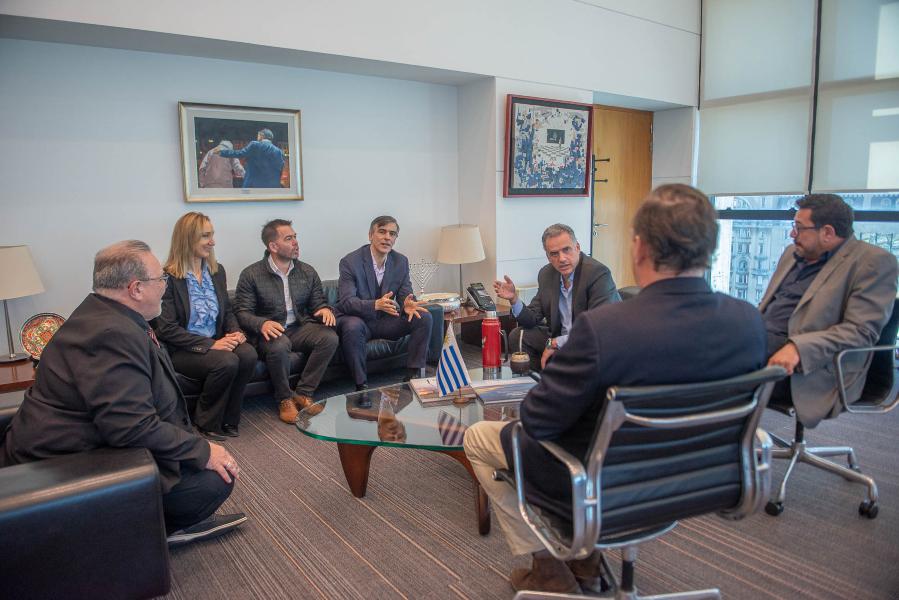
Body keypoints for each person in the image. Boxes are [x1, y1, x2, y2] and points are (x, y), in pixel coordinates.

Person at [464, 184, 767, 594]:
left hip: (606, 484)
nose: (561, 258)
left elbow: (537, 420)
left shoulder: (608, 328)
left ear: (638, 249)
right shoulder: (749, 322)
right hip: (700, 480)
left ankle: (550, 564)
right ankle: (586, 560)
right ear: (711, 248)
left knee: (479, 437)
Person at [0, 240, 246, 545]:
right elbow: (129, 427)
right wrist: (203, 450)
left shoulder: (101, 314)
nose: (165, 287)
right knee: (214, 481)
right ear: (136, 288)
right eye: (161, 280)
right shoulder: (111, 334)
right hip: (64, 465)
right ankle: (146, 537)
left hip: (78, 443)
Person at [759, 193, 898, 427]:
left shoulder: (873, 262)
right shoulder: (791, 254)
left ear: (827, 232)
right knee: (697, 347)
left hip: (810, 366)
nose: (793, 234)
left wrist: (798, 349)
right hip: (762, 343)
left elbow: (860, 332)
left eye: (799, 228)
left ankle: (721, 450)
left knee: (711, 371)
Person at [152, 212, 257, 440]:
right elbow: (167, 328)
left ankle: (230, 417)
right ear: (187, 239)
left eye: (212, 235)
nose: (213, 241)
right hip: (184, 349)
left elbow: (227, 310)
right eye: (205, 236)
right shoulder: (168, 278)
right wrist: (211, 345)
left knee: (248, 354)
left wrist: (236, 332)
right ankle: (206, 421)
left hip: (216, 340)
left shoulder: (216, 271)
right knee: (226, 361)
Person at [233, 219, 338, 424]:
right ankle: (284, 399)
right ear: (273, 246)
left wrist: (324, 309)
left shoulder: (307, 271)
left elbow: (318, 301)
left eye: (295, 237)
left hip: (298, 327)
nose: (295, 242)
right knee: (279, 346)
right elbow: (242, 312)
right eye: (289, 239)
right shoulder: (251, 274)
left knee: (329, 338)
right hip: (269, 333)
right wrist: (261, 324)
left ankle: (304, 392)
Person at [494, 223, 620, 371]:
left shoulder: (597, 274)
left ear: (577, 248)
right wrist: (513, 299)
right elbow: (532, 318)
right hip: (561, 338)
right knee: (519, 335)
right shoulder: (547, 274)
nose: (562, 258)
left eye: (566, 250)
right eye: (554, 254)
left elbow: (599, 327)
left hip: (592, 342)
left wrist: (555, 343)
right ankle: (539, 384)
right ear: (548, 257)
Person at [336, 215, 432, 391]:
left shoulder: (400, 261)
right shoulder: (350, 262)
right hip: (360, 321)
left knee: (423, 316)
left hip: (385, 321)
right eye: (382, 232)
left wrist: (408, 303)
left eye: (392, 234)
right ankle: (361, 386)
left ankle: (412, 375)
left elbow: (405, 293)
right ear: (370, 235)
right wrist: (374, 304)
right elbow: (346, 302)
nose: (387, 237)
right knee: (352, 326)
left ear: (395, 239)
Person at [215, 128, 285, 188]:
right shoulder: (279, 152)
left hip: (253, 186)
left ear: (262, 136)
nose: (257, 137)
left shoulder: (254, 145)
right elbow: (280, 168)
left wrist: (222, 152)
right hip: (272, 187)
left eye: (258, 135)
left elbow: (240, 153)